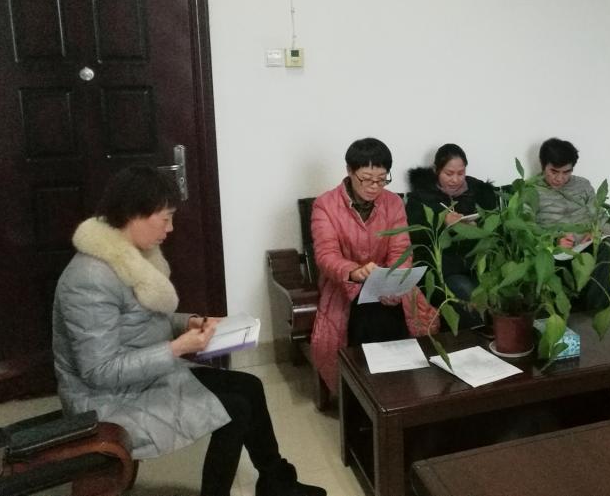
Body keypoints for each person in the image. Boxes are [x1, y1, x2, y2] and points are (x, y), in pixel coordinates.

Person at [51, 165, 324, 496]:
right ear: (133, 214)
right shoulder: (91, 278)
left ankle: (276, 482)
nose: (170, 228)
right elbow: (100, 371)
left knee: (249, 386)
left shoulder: (129, 255)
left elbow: (140, 321)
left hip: (142, 379)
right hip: (108, 401)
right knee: (234, 409)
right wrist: (178, 348)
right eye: (165, 218)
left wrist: (190, 322)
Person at [310, 137, 438, 393]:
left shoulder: (393, 203)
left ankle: (400, 390)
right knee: (369, 318)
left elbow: (401, 250)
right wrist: (355, 272)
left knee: (399, 312)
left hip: (388, 284)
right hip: (344, 285)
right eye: (367, 179)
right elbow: (326, 255)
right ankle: (371, 394)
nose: (374, 186)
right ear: (350, 171)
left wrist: (395, 281)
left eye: (381, 179)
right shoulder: (325, 205)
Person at [406, 143, 498, 328]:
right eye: (449, 174)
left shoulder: (479, 192)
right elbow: (414, 234)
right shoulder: (421, 197)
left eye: (460, 173)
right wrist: (443, 222)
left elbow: (495, 226)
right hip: (443, 270)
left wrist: (477, 228)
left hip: (478, 264)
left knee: (500, 295)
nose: (455, 180)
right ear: (436, 170)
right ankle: (477, 341)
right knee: (469, 296)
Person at [533, 137, 610, 311]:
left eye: (566, 172)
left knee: (608, 249)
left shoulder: (583, 185)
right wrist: (553, 241)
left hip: (588, 245)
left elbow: (601, 216)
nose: (560, 178)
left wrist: (596, 232)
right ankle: (592, 312)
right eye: (554, 171)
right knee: (552, 262)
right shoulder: (531, 190)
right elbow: (527, 228)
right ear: (543, 165)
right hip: (557, 251)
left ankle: (595, 310)